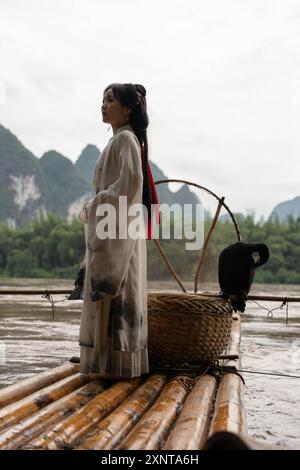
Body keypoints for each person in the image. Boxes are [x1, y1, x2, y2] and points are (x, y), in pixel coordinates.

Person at [78, 83, 159, 380]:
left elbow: (128, 186)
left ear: (128, 109)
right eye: (102, 99)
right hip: (112, 231)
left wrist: (95, 202)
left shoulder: (125, 139)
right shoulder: (119, 141)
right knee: (112, 296)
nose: (103, 105)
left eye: (110, 100)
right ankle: (107, 365)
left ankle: (113, 369)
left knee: (116, 295)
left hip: (118, 237)